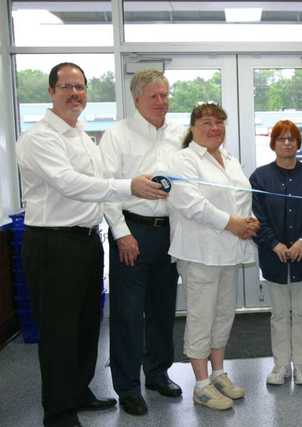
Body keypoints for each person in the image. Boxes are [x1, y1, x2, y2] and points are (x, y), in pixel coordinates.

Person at [16, 62, 167, 427]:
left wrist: (116, 221)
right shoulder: (38, 139)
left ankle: (78, 392)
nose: (74, 94)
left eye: (80, 87)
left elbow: (100, 184)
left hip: (86, 242)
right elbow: (70, 183)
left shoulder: (83, 136)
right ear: (51, 92)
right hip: (53, 245)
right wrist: (128, 186)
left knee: (86, 327)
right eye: (66, 87)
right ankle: (59, 412)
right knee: (59, 332)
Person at [99, 70, 184, 416]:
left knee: (163, 310)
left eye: (165, 95)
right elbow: (104, 187)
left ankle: (158, 373)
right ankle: (128, 387)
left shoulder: (178, 134)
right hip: (132, 233)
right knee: (128, 315)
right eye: (155, 96)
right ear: (137, 99)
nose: (162, 102)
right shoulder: (116, 135)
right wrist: (121, 234)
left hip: (169, 231)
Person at [166, 102, 259, 412]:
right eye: (206, 122)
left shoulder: (229, 159)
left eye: (219, 122)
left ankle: (218, 373)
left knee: (223, 315)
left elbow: (240, 198)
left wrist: (248, 221)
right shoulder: (183, 160)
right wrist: (232, 223)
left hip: (228, 251)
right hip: (200, 252)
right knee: (201, 317)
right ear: (193, 127)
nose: (214, 128)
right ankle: (202, 385)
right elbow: (190, 203)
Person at [249, 120, 302, 386]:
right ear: (273, 143)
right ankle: (280, 366)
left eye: (292, 139)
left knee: (300, 313)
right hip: (272, 256)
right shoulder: (260, 177)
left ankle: (301, 366)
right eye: (281, 139)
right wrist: (274, 244)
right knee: (278, 314)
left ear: (298, 143)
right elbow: (256, 217)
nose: (287, 143)